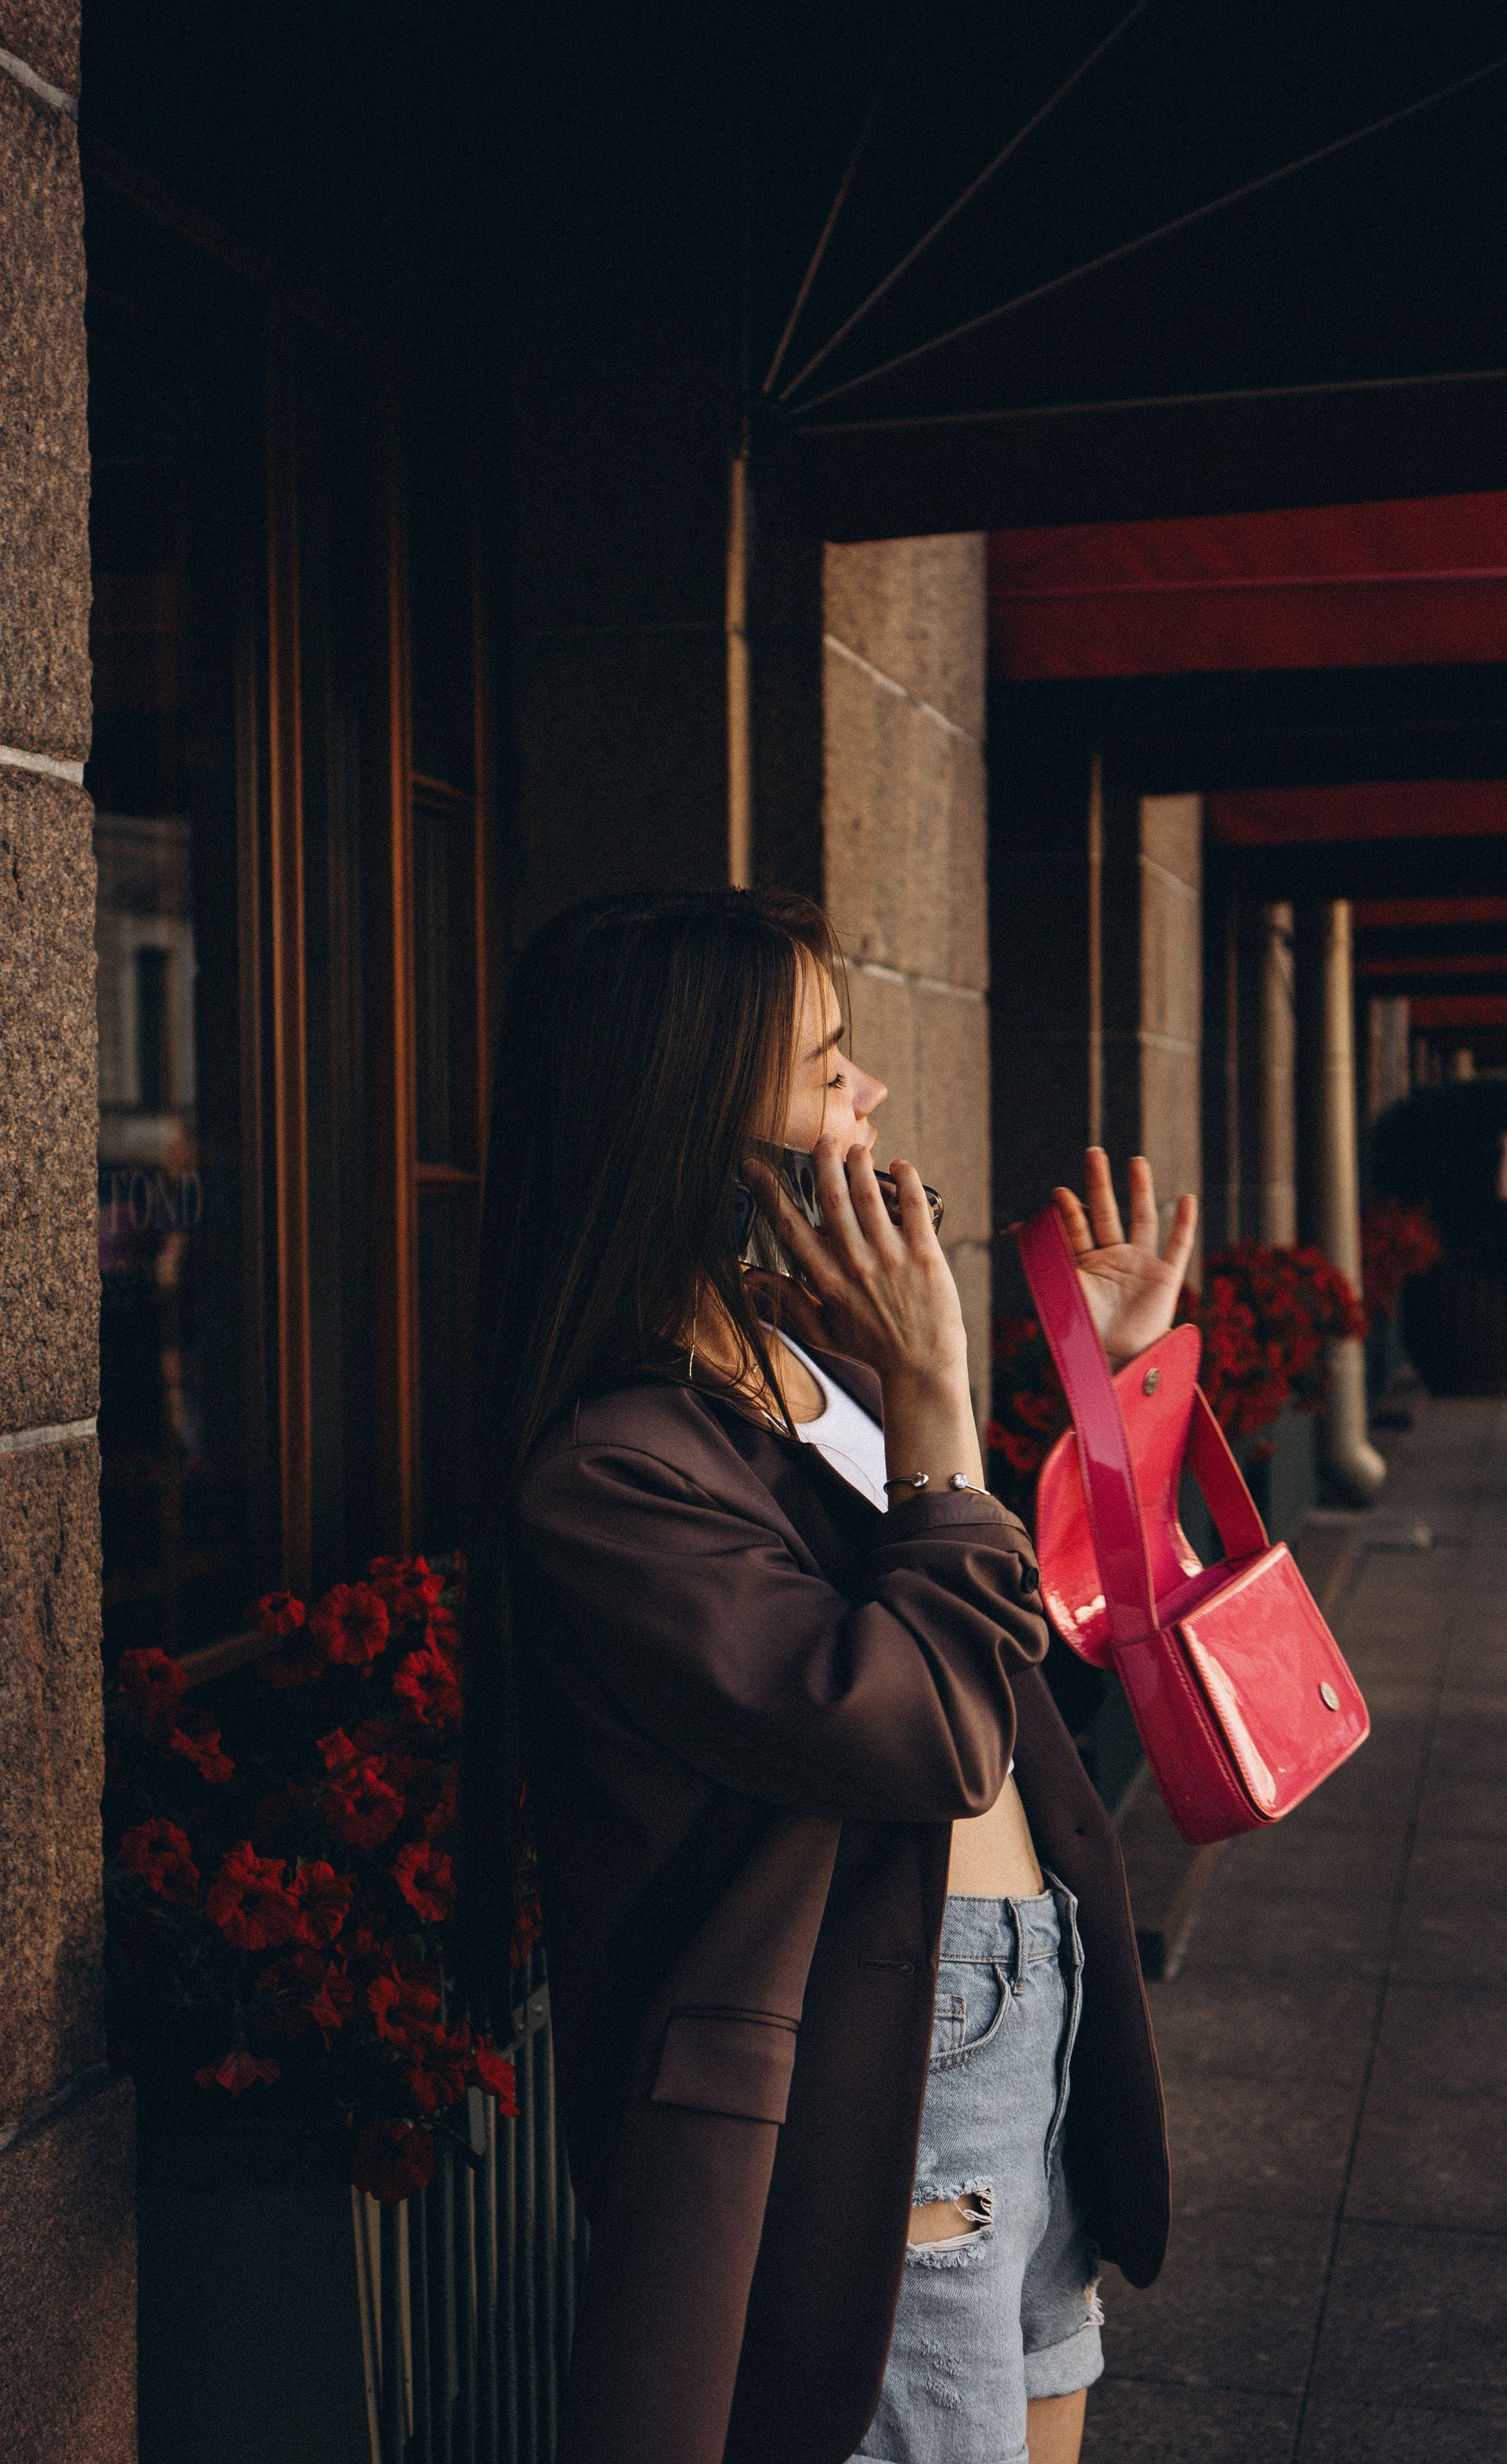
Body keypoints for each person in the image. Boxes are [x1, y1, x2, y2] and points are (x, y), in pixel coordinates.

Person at [458, 889, 1196, 2464]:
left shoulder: (790, 1356)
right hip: (889, 2029)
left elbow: (988, 1637)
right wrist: (934, 1394)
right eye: (826, 1065)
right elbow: (920, 1730)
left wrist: (1088, 1390)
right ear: (703, 1130)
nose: (863, 1098)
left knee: (1045, 2389)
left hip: (1018, 1972)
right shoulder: (608, 1475)